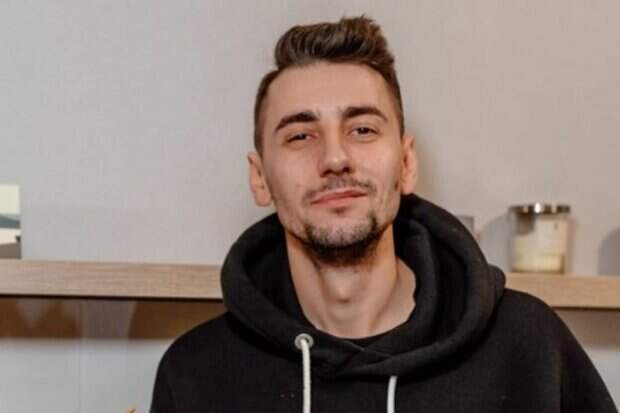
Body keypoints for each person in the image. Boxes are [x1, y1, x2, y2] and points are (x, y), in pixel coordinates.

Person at [150, 16, 617, 413]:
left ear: (406, 163)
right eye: (300, 136)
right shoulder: (196, 375)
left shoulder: (529, 348)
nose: (335, 158)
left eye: (363, 129)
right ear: (259, 177)